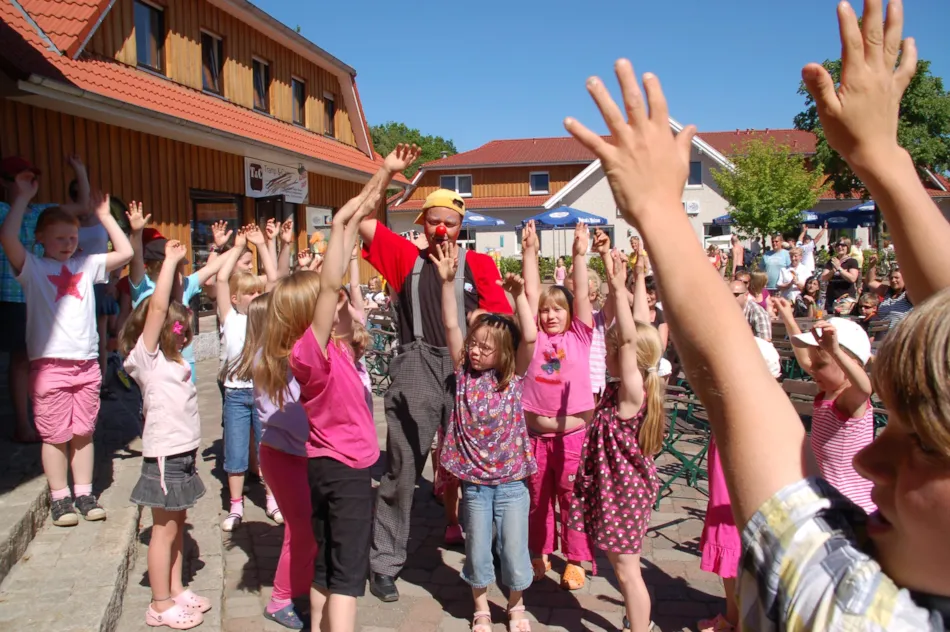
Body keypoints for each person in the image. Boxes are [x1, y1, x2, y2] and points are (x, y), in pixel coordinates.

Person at [563, 1, 950, 624]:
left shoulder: (856, 614)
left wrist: (660, 214)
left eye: (927, 448)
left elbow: (734, 379)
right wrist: (884, 159)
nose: (870, 457)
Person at [358, 146, 512, 602]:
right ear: (422, 224)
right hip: (416, 368)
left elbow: (503, 324)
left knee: (480, 473)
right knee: (403, 470)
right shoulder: (405, 259)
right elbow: (363, 219)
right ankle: (384, 562)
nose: (442, 228)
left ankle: (486, 556)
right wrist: (386, 173)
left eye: (451, 221)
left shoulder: (481, 266)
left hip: (470, 372)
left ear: (461, 226)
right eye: (433, 220)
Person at [260, 182, 381, 632]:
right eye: (335, 302)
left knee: (326, 572)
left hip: (325, 467)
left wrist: (370, 195)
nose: (345, 300)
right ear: (319, 314)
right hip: (345, 473)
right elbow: (331, 282)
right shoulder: (314, 354)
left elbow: (341, 270)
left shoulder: (337, 349)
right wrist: (339, 223)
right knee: (348, 581)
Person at [1, 180, 132, 526]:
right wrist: (23, 200)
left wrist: (105, 217)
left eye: (72, 238)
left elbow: (125, 253)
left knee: (83, 433)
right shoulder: (32, 268)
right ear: (41, 238)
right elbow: (8, 238)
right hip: (49, 367)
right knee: (55, 436)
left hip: (87, 365)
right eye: (59, 238)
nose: (67, 244)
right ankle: (60, 499)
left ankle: (85, 493)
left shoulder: (86, 265)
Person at [431, 241, 537, 632]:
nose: (475, 352)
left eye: (484, 348)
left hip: (511, 483)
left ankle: (516, 606)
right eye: (474, 346)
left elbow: (529, 337)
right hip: (474, 485)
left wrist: (519, 296)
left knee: (513, 549)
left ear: (502, 353)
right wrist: (447, 284)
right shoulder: (462, 375)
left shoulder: (510, 379)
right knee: (477, 549)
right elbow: (452, 326)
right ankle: (480, 607)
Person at [569, 249, 664, 632]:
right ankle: (634, 622)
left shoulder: (631, 393)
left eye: (610, 350)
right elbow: (638, 329)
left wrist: (615, 285)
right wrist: (635, 278)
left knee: (626, 570)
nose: (607, 353)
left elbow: (628, 340)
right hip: (619, 489)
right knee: (624, 566)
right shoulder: (631, 388)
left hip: (624, 492)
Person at [121, 240, 208, 630]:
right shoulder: (147, 360)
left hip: (184, 454)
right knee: (163, 529)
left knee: (177, 525)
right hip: (164, 457)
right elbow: (158, 308)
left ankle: (175, 588)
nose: (184, 336)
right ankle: (159, 603)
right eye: (179, 330)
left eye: (187, 331)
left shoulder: (173, 363)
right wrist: (171, 262)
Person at [522, 220, 596, 591]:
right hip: (536, 435)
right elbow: (533, 291)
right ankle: (539, 551)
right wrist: (529, 252)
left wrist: (580, 255)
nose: (550, 315)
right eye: (546, 311)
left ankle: (577, 558)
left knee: (572, 497)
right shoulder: (533, 338)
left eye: (558, 310)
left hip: (572, 437)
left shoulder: (580, 336)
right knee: (537, 497)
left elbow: (581, 294)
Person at [0, 155, 89, 443]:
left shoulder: (45, 211)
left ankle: (47, 416)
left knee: (40, 358)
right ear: (5, 182)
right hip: (11, 295)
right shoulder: (3, 210)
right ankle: (23, 423)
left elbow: (83, 208)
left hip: (45, 297)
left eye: (32, 177)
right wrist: (22, 199)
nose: (31, 183)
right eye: (22, 178)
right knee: (20, 359)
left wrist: (80, 172)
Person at [236, 292, 311, 630]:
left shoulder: (272, 355)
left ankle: (300, 585)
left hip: (292, 454)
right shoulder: (270, 358)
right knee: (299, 531)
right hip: (283, 456)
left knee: (306, 528)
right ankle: (281, 599)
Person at [698, 336, 782, 632]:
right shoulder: (736, 405)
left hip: (736, 497)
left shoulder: (755, 410)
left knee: (734, 550)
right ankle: (734, 616)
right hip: (724, 488)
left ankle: (739, 620)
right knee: (731, 553)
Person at [780, 307, 877, 510]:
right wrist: (789, 319)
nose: (811, 368)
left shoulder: (849, 397)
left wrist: (834, 351)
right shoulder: (829, 387)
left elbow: (865, 387)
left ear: (849, 364)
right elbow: (804, 359)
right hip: (825, 491)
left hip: (849, 500)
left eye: (820, 364)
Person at [216, 226, 271, 532]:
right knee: (236, 452)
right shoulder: (230, 318)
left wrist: (263, 246)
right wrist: (237, 248)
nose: (255, 296)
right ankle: (235, 506)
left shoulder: (265, 316)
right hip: (236, 393)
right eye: (249, 292)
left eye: (257, 291)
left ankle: (272, 498)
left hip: (262, 391)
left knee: (267, 451)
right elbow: (222, 279)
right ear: (235, 298)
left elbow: (274, 280)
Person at [865, 256, 912, 330]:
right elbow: (871, 282)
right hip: (882, 337)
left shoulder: (908, 295)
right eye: (891, 278)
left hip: (899, 335)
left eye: (896, 278)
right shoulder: (887, 291)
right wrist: (872, 266)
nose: (893, 280)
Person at [821, 237, 861, 313]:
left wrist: (839, 268)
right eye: (838, 245)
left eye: (843, 245)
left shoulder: (852, 261)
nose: (840, 247)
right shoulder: (831, 261)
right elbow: (824, 277)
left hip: (846, 299)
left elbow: (852, 278)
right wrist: (833, 270)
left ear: (848, 247)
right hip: (831, 298)